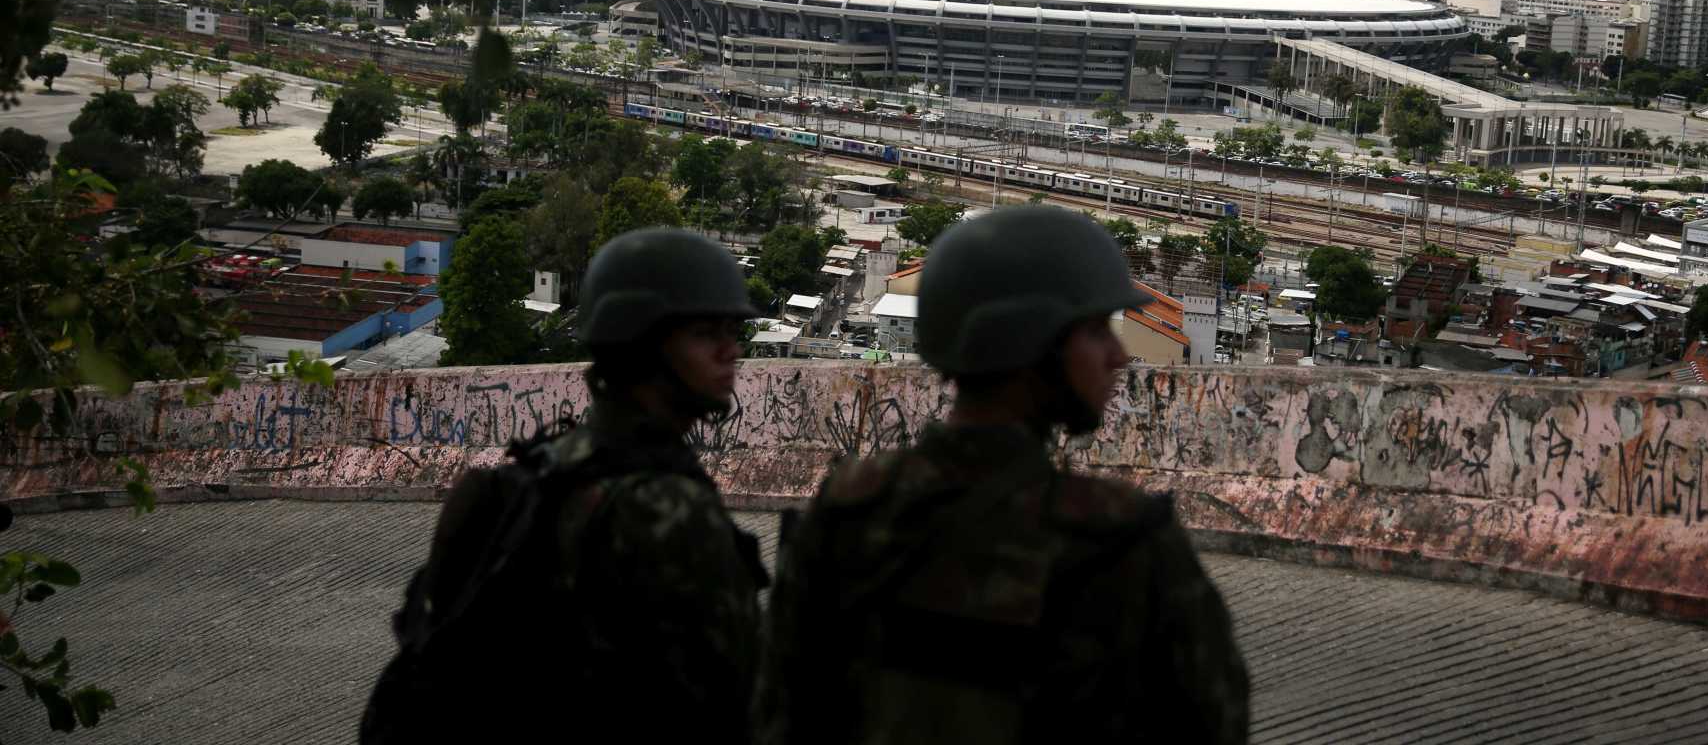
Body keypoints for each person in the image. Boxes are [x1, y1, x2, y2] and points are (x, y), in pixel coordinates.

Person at [755, 205, 1249, 744]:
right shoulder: (1121, 539)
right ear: (1031, 343)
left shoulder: (849, 510)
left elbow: (783, 713)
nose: (1117, 355)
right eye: (1094, 331)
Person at [362, 228, 766, 744]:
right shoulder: (666, 508)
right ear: (641, 347)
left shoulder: (545, 468)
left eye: (732, 331)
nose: (731, 351)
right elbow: (736, 703)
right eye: (708, 333)